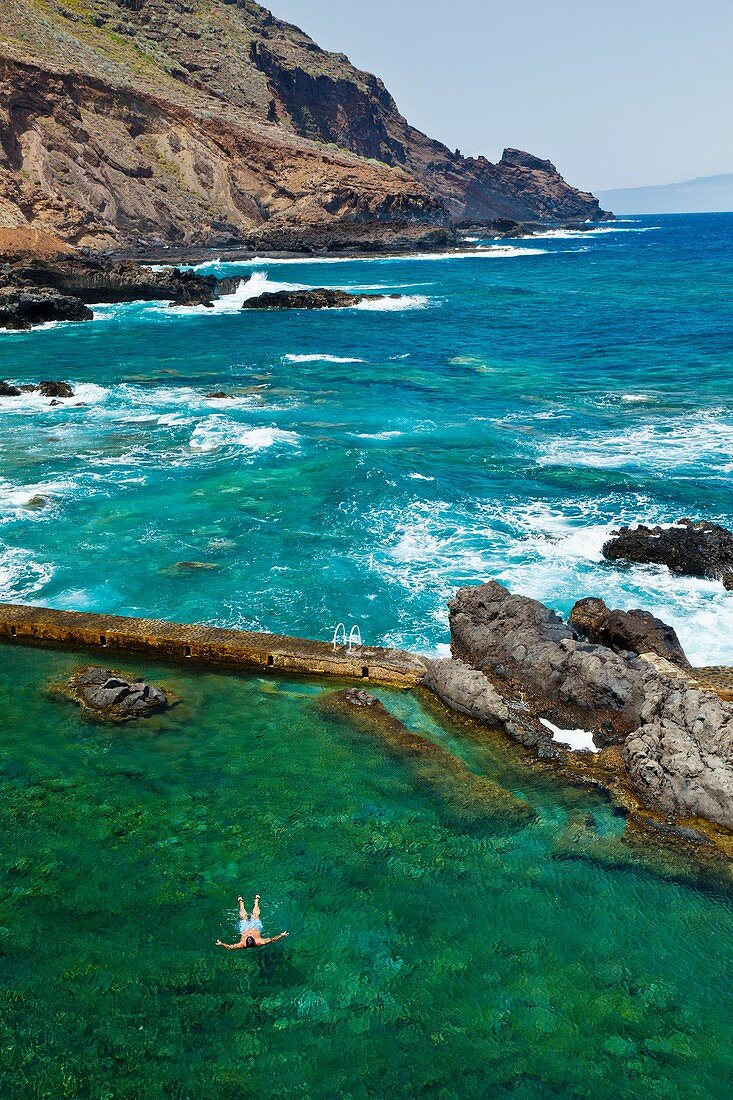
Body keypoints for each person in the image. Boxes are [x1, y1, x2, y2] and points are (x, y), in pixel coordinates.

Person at [216, 894, 289, 950]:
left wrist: (221, 943)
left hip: (244, 929)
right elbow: (272, 940)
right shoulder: (259, 941)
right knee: (256, 915)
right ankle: (256, 901)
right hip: (256, 927)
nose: (249, 935)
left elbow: (230, 947)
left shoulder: (242, 944)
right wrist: (281, 935)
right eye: (250, 937)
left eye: (248, 937)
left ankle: (241, 902)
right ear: (254, 941)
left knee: (243, 917)